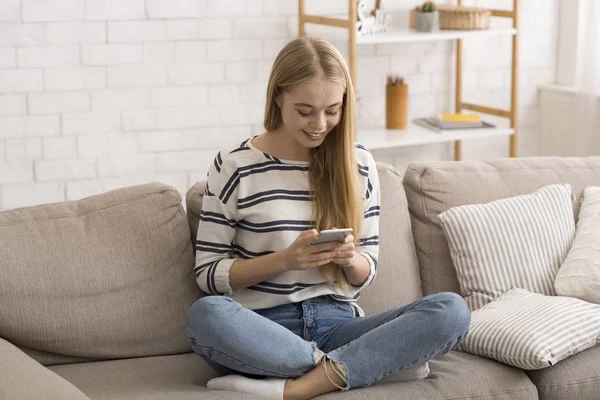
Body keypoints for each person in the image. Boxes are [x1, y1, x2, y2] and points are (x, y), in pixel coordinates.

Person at [185, 37, 471, 400]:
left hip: (339, 324)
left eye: (332, 110)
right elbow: (208, 274)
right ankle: (364, 367)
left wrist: (351, 259)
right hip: (262, 330)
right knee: (205, 316)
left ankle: (297, 388)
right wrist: (285, 260)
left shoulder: (359, 164)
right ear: (277, 97)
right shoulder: (235, 165)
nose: (319, 124)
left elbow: (367, 271)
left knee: (451, 310)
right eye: (305, 111)